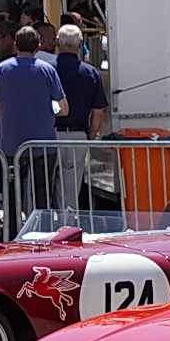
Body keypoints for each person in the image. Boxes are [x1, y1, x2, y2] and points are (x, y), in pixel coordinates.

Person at [0, 25, 68, 212]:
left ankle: (14, 237)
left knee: (12, 199)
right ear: (38, 47)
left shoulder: (0, 70)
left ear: (15, 45)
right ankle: (41, 238)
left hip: (11, 145)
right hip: (44, 144)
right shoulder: (47, 70)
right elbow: (64, 108)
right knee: (43, 199)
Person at [53, 24, 108, 212]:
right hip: (77, 135)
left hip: (48, 136)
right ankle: (68, 227)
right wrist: (91, 134)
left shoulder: (48, 69)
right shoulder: (90, 73)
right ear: (80, 44)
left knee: (44, 184)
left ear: (57, 43)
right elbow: (99, 110)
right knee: (71, 188)